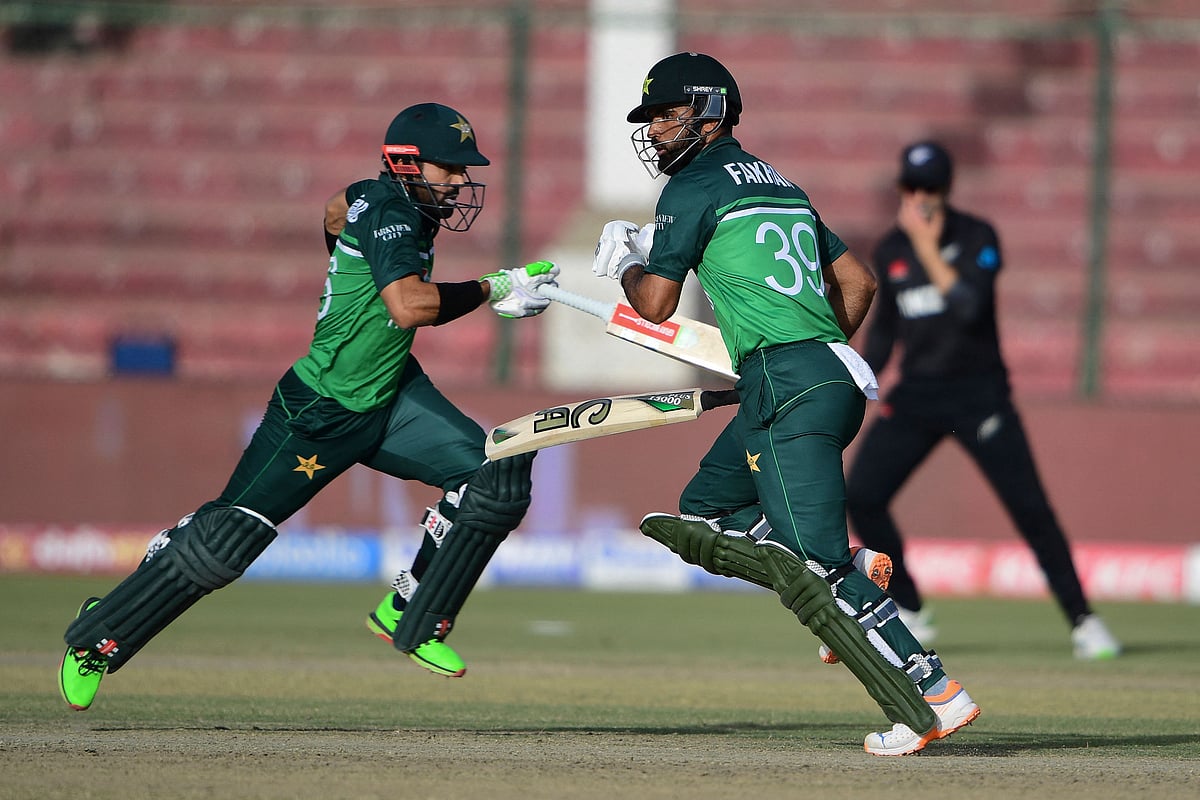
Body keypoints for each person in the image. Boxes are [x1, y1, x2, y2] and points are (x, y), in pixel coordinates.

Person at [58, 102, 557, 712]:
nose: (459, 180)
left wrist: (342, 258)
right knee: (225, 545)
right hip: (318, 411)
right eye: (449, 167)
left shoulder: (383, 201)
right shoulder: (394, 213)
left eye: (463, 167)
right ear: (406, 163)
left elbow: (335, 206)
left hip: (392, 394)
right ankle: (99, 636)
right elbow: (411, 308)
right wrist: (495, 288)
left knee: (497, 472)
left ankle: (412, 611)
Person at [595, 51, 979, 756]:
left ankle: (933, 696)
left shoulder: (691, 187)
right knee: (707, 511)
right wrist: (812, 351)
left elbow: (652, 303)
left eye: (667, 114)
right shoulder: (782, 184)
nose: (654, 130)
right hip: (822, 373)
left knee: (813, 566)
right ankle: (857, 566)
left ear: (710, 114)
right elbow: (858, 284)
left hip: (787, 382)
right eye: (650, 117)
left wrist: (623, 257)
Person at [845, 140, 1121, 660]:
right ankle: (909, 607)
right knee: (862, 495)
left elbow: (970, 309)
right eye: (910, 187)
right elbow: (886, 335)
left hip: (981, 397)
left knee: (1030, 510)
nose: (920, 198)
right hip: (919, 397)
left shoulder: (977, 237)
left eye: (930, 187)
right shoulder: (890, 250)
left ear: (947, 189)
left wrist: (928, 248)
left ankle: (1084, 621)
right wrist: (859, 382)